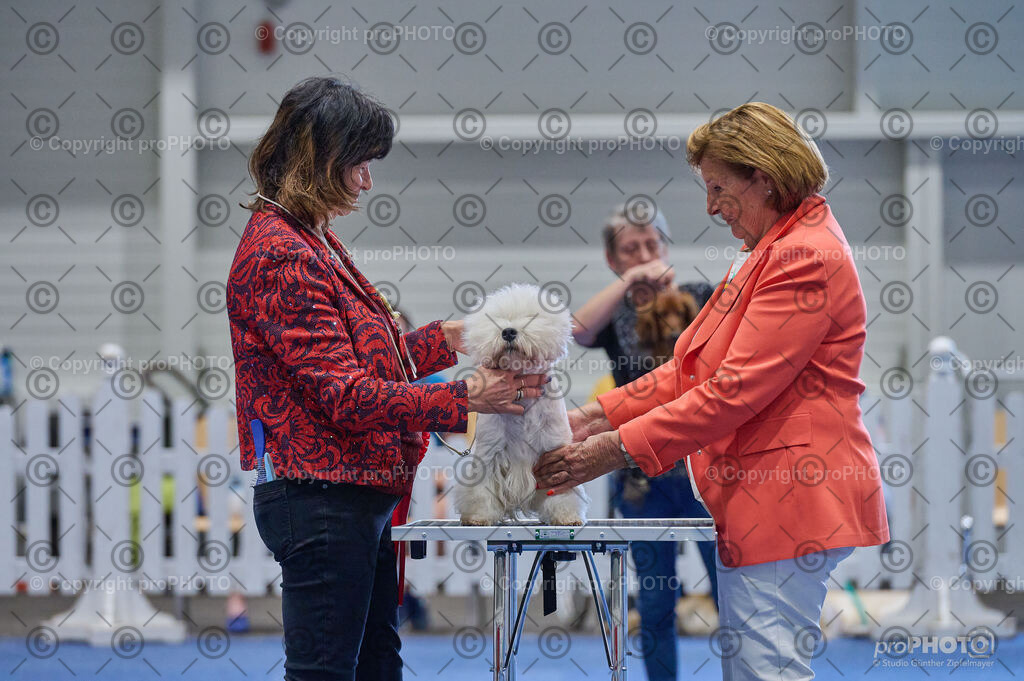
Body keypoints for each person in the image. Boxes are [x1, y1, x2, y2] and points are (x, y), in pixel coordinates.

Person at [534, 102, 890, 680]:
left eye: (719, 188)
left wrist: (610, 450)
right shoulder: (766, 250)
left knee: (765, 671)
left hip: (789, 498)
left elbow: (731, 392)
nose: (710, 206)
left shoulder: (802, 255)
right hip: (765, 499)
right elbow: (688, 370)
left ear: (764, 178)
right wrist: (588, 419)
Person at [227, 76, 547, 681]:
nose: (367, 181)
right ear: (322, 159)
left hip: (348, 493)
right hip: (323, 495)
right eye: (360, 163)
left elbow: (363, 363)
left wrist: (446, 338)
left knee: (376, 664)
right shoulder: (284, 252)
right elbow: (343, 396)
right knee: (326, 672)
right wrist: (466, 397)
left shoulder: (310, 239)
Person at [573, 205, 718, 681]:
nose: (643, 255)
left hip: (703, 471)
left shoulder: (699, 296)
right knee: (655, 602)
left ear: (666, 247)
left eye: (652, 244)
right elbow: (576, 330)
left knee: (730, 591)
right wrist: (630, 282)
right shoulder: (615, 314)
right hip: (641, 475)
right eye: (630, 249)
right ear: (613, 259)